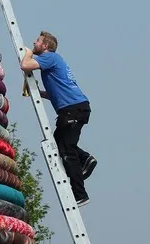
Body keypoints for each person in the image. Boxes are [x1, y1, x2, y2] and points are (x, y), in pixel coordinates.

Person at [21, 31, 97, 207]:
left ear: (45, 46)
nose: (34, 42)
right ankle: (86, 159)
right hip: (75, 108)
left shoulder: (49, 57)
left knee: (67, 151)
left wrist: (28, 53)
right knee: (59, 142)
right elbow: (56, 93)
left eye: (38, 41)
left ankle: (80, 194)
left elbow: (25, 65)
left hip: (72, 110)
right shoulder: (53, 61)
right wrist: (38, 93)